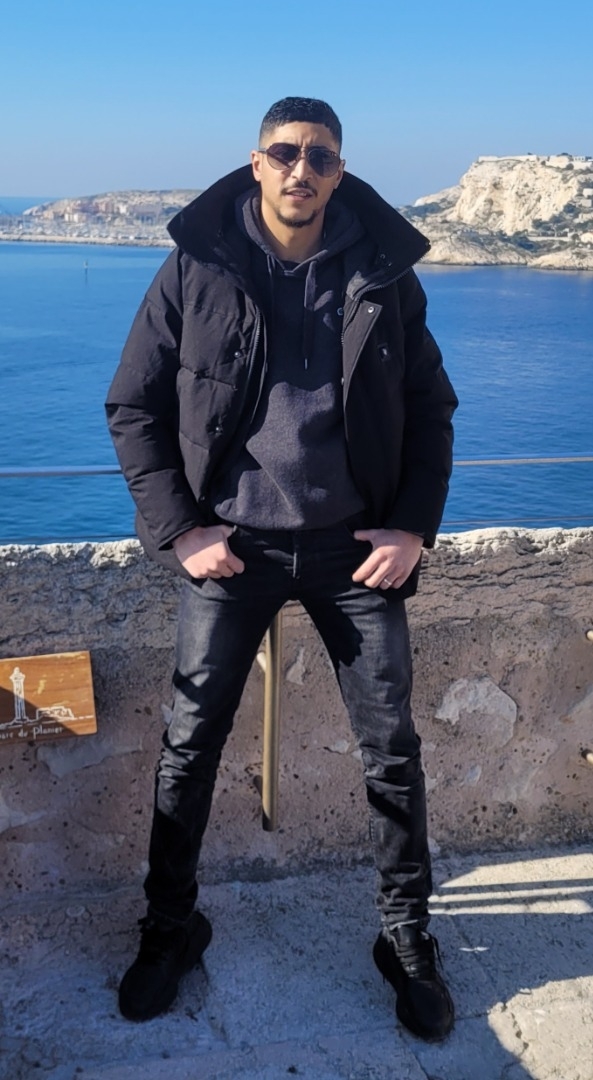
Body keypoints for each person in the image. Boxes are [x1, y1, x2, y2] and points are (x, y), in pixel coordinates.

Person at [106, 96, 458, 1041]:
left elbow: (430, 408)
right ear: (256, 162)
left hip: (353, 550)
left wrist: (411, 527)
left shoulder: (382, 271)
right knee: (189, 748)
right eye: (285, 152)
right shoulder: (200, 264)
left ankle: (406, 937)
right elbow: (133, 406)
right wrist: (181, 531)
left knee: (391, 751)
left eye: (320, 156)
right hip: (232, 547)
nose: (302, 169)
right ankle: (170, 930)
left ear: (340, 171)